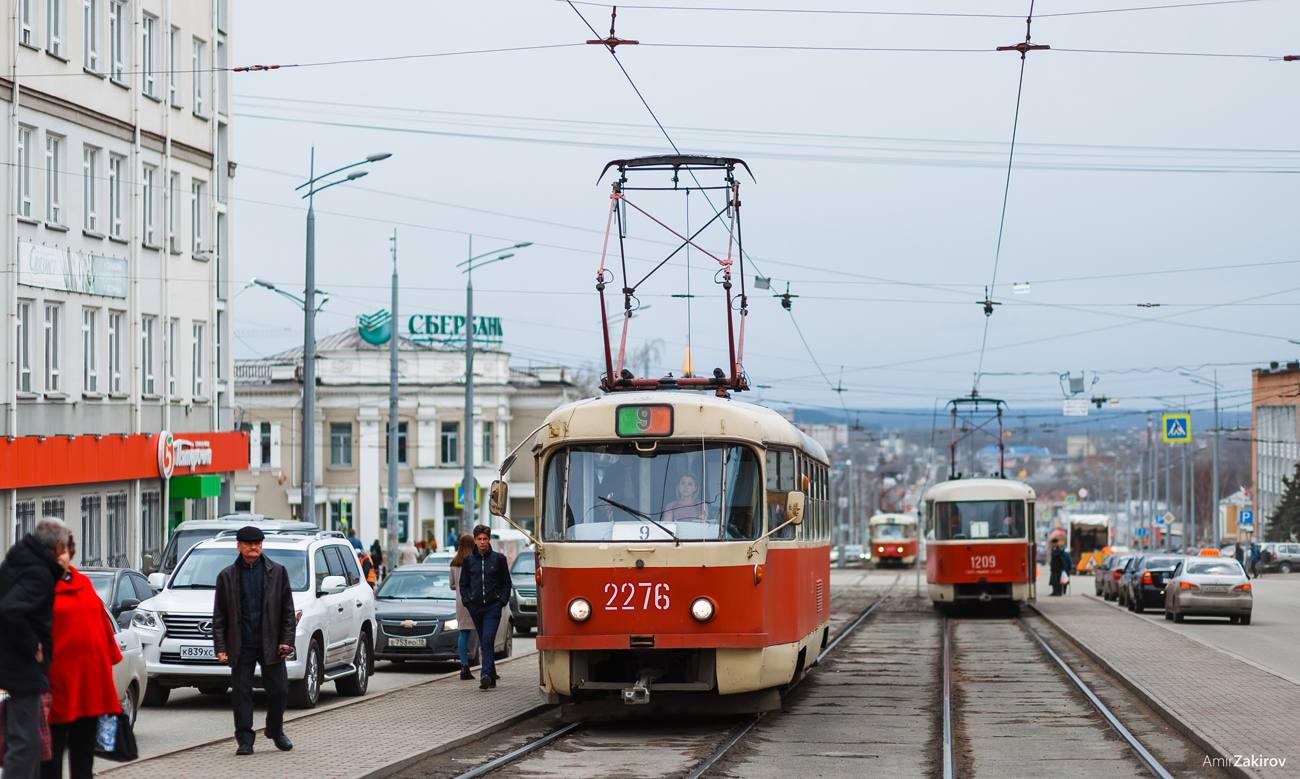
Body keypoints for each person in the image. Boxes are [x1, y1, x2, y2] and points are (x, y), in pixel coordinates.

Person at [212, 526, 296, 756]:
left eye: (258, 543)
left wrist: (286, 642)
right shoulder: (227, 576)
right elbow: (219, 616)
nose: (254, 547)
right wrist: (220, 647)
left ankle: (275, 731)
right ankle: (245, 740)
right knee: (240, 693)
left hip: (271, 643)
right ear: (238, 546)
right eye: (249, 544)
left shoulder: (277, 572)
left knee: (279, 690)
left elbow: (288, 612)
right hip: (241, 644)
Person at [44, 535, 122, 779]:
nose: (59, 556)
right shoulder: (36, 588)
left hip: (89, 686)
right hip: (54, 687)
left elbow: (101, 627)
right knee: (49, 757)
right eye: (52, 551)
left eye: (63, 551)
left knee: (83, 755)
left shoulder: (84, 584)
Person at [0, 518, 72, 779]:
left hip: (13, 661)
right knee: (26, 743)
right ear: (57, 545)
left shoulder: (21, 560)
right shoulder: (39, 572)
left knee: (28, 743)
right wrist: (32, 645)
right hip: (22, 666)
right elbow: (9, 610)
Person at [458, 526, 511, 690]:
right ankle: (492, 676)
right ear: (474, 540)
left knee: (488, 640)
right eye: (479, 539)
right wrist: (467, 602)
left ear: (489, 540)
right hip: (475, 607)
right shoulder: (468, 561)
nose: (482, 542)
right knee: (484, 641)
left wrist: (501, 601)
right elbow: (463, 584)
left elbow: (506, 583)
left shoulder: (499, 559)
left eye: (485, 539)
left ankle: (485, 675)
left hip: (493, 607)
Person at [447, 534, 477, 681]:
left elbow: (452, 585)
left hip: (461, 602)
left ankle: (464, 667)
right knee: (483, 634)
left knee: (463, 634)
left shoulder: (454, 563)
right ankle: (487, 667)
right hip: (476, 602)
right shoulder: (475, 561)